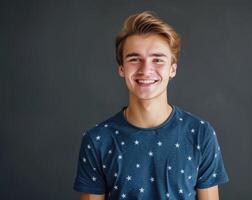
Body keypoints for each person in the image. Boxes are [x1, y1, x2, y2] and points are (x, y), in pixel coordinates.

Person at [73, 11, 229, 200]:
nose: (146, 69)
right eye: (134, 59)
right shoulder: (97, 140)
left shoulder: (200, 134)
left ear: (173, 69)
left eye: (158, 59)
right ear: (121, 68)